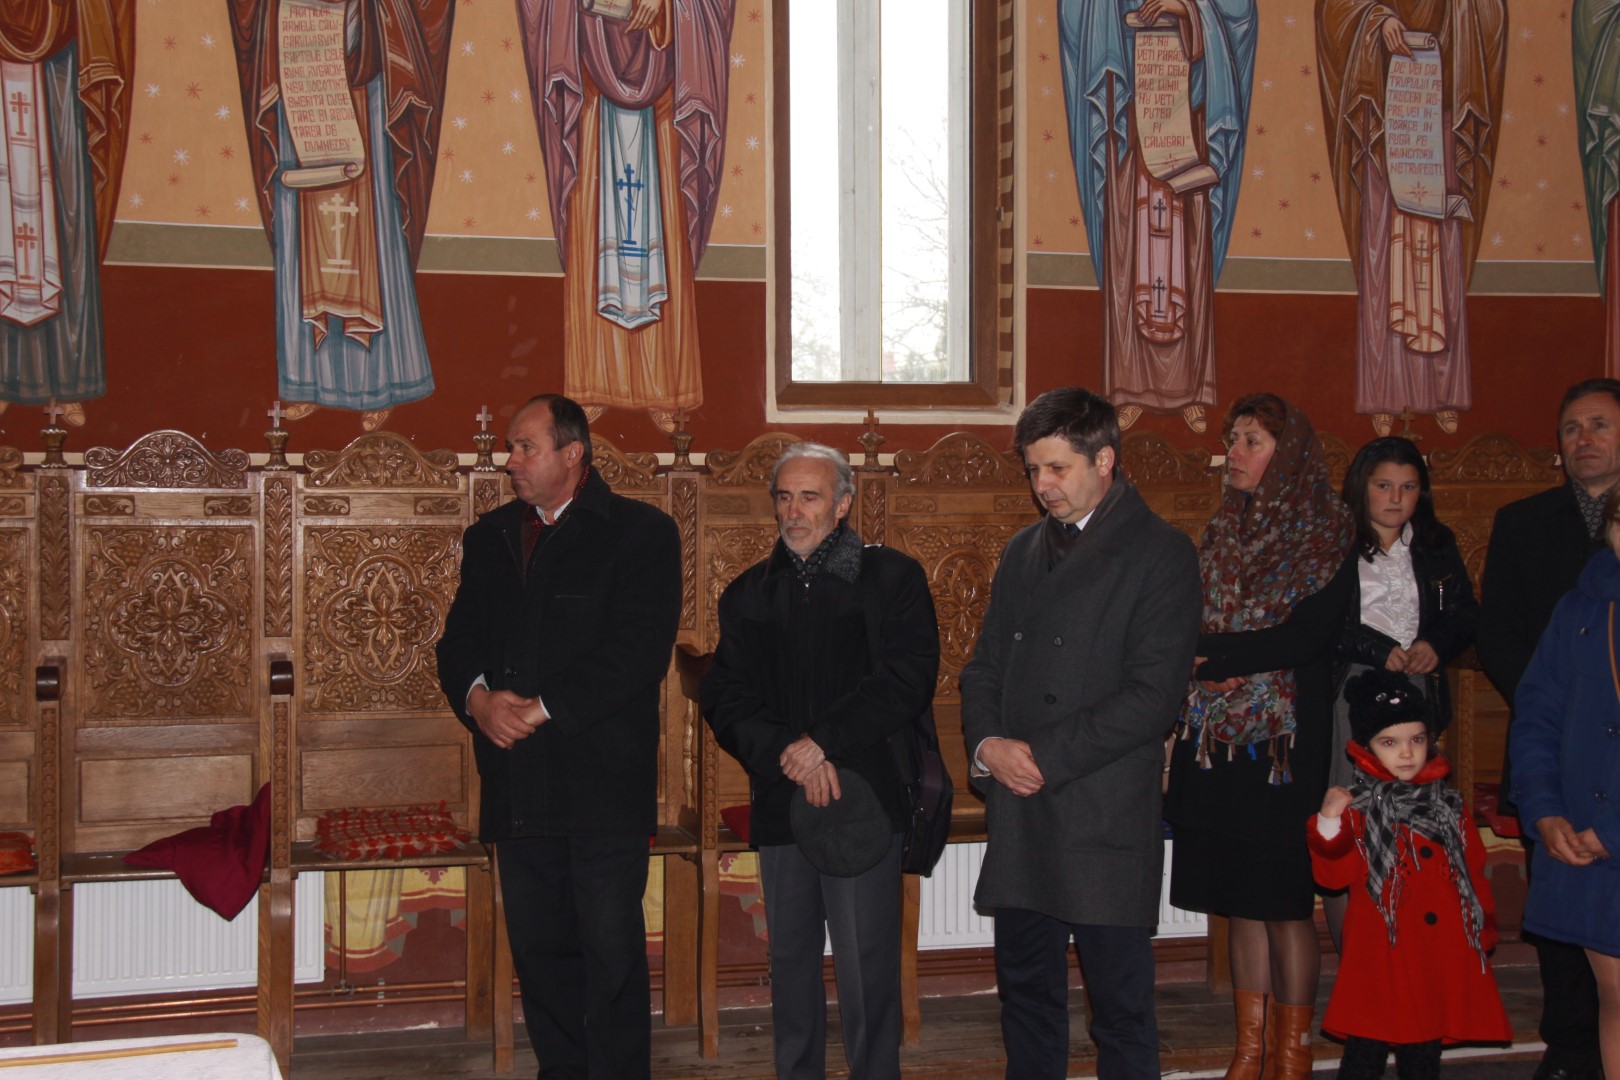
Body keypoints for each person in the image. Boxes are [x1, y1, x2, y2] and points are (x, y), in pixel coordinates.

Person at [435, 393, 681, 1080]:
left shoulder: (641, 533)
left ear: (573, 454)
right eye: (511, 448)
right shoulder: (490, 536)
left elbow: (637, 652)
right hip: (517, 779)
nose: (509, 460)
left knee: (610, 953)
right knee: (540, 954)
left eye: (525, 447)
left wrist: (542, 709)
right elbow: (458, 643)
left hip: (602, 780)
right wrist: (479, 702)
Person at [960, 387, 1202, 1080]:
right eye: (1034, 470)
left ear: (1104, 460)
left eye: (1058, 468)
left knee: (1119, 1009)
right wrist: (988, 747)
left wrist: (1041, 756)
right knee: (1026, 998)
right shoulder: (1021, 551)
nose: (1043, 486)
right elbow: (984, 667)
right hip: (1022, 807)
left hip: (1102, 809)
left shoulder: (1161, 553)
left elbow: (1153, 697)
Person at [701, 442, 940, 1080]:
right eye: (784, 497)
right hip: (784, 795)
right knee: (791, 964)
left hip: (865, 797)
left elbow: (906, 679)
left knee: (867, 967)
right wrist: (791, 754)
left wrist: (824, 743)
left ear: (842, 504)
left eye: (809, 496)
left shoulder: (892, 579)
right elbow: (726, 695)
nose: (794, 511)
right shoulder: (749, 592)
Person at [1165, 393, 1354, 1080]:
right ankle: (1249, 1049)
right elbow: (1189, 620)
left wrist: (1212, 660)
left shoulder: (1330, 532)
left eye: (1252, 441)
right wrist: (1204, 666)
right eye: (1233, 439)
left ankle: (1291, 1053)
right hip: (1218, 740)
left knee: (1282, 902)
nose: (1235, 453)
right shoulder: (1220, 529)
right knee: (1238, 899)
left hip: (1285, 742)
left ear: (1289, 454)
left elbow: (1306, 639)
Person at [1478, 378, 1620, 1080]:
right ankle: (1568, 1052)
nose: (1583, 439)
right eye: (1571, 428)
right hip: (1560, 757)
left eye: (1599, 425)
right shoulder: (1525, 523)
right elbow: (1501, 635)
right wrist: (1559, 717)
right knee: (1566, 927)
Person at [517, 0, 736, 419]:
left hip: (664, 73)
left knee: (664, 225)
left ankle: (666, 387)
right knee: (592, 221)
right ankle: (594, 381)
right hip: (590, 68)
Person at [1057, 0, 1257, 429]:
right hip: (1133, 126)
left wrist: (1186, 7)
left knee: (1189, 254)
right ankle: (1131, 388)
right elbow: (1078, 16)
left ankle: (1191, 391)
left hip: (1187, 122)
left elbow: (1239, 14)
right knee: (1131, 255)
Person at [1310, 669, 1511, 1080]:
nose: (1406, 753)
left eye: (1416, 740)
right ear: (1364, 747)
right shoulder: (1358, 809)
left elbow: (1473, 870)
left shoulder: (1448, 806)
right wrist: (1329, 822)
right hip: (1382, 951)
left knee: (1423, 1048)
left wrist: (1483, 923)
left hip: (1436, 951)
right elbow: (1332, 878)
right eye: (1390, 742)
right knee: (1366, 1048)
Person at [1315, 0, 1506, 431]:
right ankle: (1384, 392)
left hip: (1438, 118)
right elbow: (1335, 12)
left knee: (1440, 257)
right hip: (1384, 123)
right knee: (1384, 256)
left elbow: (1490, 17)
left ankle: (1443, 392)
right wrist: (1377, 19)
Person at [1325, 436, 1478, 948]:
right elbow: (1319, 621)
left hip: (1416, 687)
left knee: (1411, 822)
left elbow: (1465, 613)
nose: (1396, 498)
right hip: (1352, 690)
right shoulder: (1335, 542)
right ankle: (1357, 956)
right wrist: (1375, 648)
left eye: (1408, 487)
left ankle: (1410, 949)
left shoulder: (1435, 544)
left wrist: (1436, 644)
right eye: (1384, 486)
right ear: (1361, 487)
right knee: (1355, 820)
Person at [1511, 486, 1620, 1080]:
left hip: (1610, 830)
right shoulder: (1581, 607)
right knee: (1616, 995)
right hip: (1582, 831)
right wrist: (1545, 812)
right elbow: (1538, 716)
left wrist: (1613, 829)